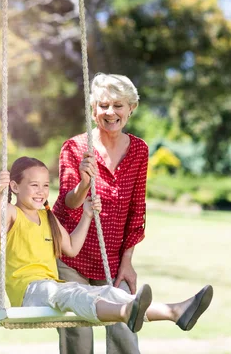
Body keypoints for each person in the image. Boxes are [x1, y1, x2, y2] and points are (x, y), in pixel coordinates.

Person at [0, 156, 213, 333]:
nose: (41, 192)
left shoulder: (47, 216)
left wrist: (86, 216)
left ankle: (174, 311)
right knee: (73, 293)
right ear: (15, 186)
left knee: (106, 291)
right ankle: (125, 313)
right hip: (30, 291)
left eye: (45, 185)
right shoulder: (11, 212)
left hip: (53, 287)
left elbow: (71, 247)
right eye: (34, 185)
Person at [53, 73, 150, 354]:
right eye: (104, 105)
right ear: (93, 109)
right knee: (78, 338)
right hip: (73, 259)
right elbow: (67, 205)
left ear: (131, 108)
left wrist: (127, 261)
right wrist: (84, 182)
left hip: (112, 262)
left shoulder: (139, 151)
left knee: (125, 335)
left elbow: (136, 211)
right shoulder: (75, 148)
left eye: (119, 105)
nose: (111, 112)